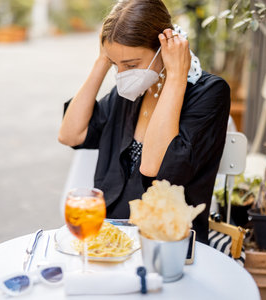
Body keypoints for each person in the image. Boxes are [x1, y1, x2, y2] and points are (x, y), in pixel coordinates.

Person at [58, 0, 230, 244]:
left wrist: (176, 78)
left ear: (163, 47)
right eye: (116, 64)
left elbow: (153, 168)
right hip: (109, 237)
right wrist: (102, 61)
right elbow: (70, 134)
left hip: (168, 242)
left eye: (131, 64)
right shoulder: (132, 89)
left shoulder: (209, 94)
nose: (122, 75)